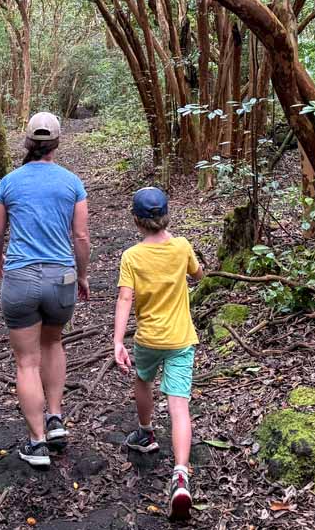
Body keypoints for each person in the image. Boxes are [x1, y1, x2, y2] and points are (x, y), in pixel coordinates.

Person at [0, 112, 90, 468]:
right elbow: (81, 236)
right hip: (61, 278)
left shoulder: (9, 183)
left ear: (28, 142)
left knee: (27, 362)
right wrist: (82, 275)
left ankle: (36, 443)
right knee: (53, 343)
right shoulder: (72, 183)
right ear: (57, 143)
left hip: (20, 278)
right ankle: (56, 418)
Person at [112, 187, 203, 520]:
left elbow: (125, 298)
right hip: (180, 339)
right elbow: (198, 274)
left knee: (143, 379)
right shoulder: (181, 246)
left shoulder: (132, 256)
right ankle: (180, 475)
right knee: (179, 405)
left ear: (136, 221)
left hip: (148, 338)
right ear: (167, 216)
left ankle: (146, 432)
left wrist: (118, 341)